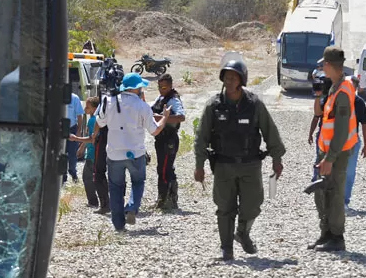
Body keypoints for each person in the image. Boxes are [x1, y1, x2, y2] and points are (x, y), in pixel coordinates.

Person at [194, 60, 285, 261]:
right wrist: (199, 165)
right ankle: (226, 248)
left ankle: (242, 232)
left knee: (253, 205)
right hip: (223, 166)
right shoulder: (214, 106)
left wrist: (277, 159)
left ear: (241, 80)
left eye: (233, 76)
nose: (229, 79)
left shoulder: (254, 105)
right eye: (226, 75)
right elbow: (201, 138)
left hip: (250, 164)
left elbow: (270, 132)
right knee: (224, 208)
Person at [96, 73, 172, 231]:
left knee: (115, 188)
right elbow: (155, 131)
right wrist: (165, 117)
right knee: (138, 182)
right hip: (135, 153)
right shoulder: (142, 106)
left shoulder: (109, 101)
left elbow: (100, 122)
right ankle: (131, 208)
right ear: (137, 88)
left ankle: (118, 225)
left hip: (114, 153)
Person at [309, 47, 357, 252]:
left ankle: (337, 237)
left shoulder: (343, 91)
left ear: (329, 65)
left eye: (323, 65)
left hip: (336, 153)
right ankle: (326, 233)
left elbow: (342, 130)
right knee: (322, 192)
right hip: (327, 152)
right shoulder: (335, 87)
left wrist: (329, 158)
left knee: (335, 193)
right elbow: (324, 117)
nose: (321, 68)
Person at [151, 74, 186, 210]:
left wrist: (161, 118)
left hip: (169, 139)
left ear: (171, 86)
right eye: (159, 87)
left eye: (164, 87)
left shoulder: (173, 100)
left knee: (165, 169)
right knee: (164, 168)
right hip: (160, 138)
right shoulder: (160, 98)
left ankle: (165, 201)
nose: (161, 89)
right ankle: (165, 199)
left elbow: (181, 117)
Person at [68, 97, 102, 208]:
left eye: (87, 107)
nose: (85, 109)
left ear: (94, 108)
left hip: (92, 154)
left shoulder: (93, 120)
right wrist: (82, 147)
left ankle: (93, 201)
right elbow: (89, 136)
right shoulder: (95, 119)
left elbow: (91, 138)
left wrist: (76, 139)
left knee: (87, 177)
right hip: (92, 153)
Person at [344, 76, 366, 214]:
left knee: (349, 173)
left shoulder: (359, 103)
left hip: (353, 143)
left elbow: (365, 125)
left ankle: (344, 202)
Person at [64, 92, 85, 185]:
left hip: (72, 128)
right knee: (61, 153)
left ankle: (73, 172)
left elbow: (79, 116)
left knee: (73, 153)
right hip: (59, 128)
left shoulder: (74, 98)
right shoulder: (55, 96)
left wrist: (79, 130)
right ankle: (62, 176)